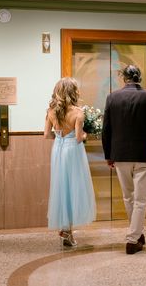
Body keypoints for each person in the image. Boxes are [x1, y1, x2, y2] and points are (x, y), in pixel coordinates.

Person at [102, 65, 146, 254]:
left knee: (128, 197)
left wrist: (108, 155)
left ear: (124, 78)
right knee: (141, 199)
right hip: (144, 155)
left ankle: (137, 234)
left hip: (120, 155)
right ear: (140, 77)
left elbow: (107, 129)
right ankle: (132, 239)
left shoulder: (112, 97)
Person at [44, 77, 96, 247]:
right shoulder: (78, 112)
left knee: (61, 188)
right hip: (73, 151)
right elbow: (80, 138)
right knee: (74, 188)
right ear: (73, 92)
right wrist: (87, 134)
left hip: (58, 150)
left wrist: (60, 136)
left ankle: (66, 230)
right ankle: (67, 231)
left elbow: (47, 135)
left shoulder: (51, 111)